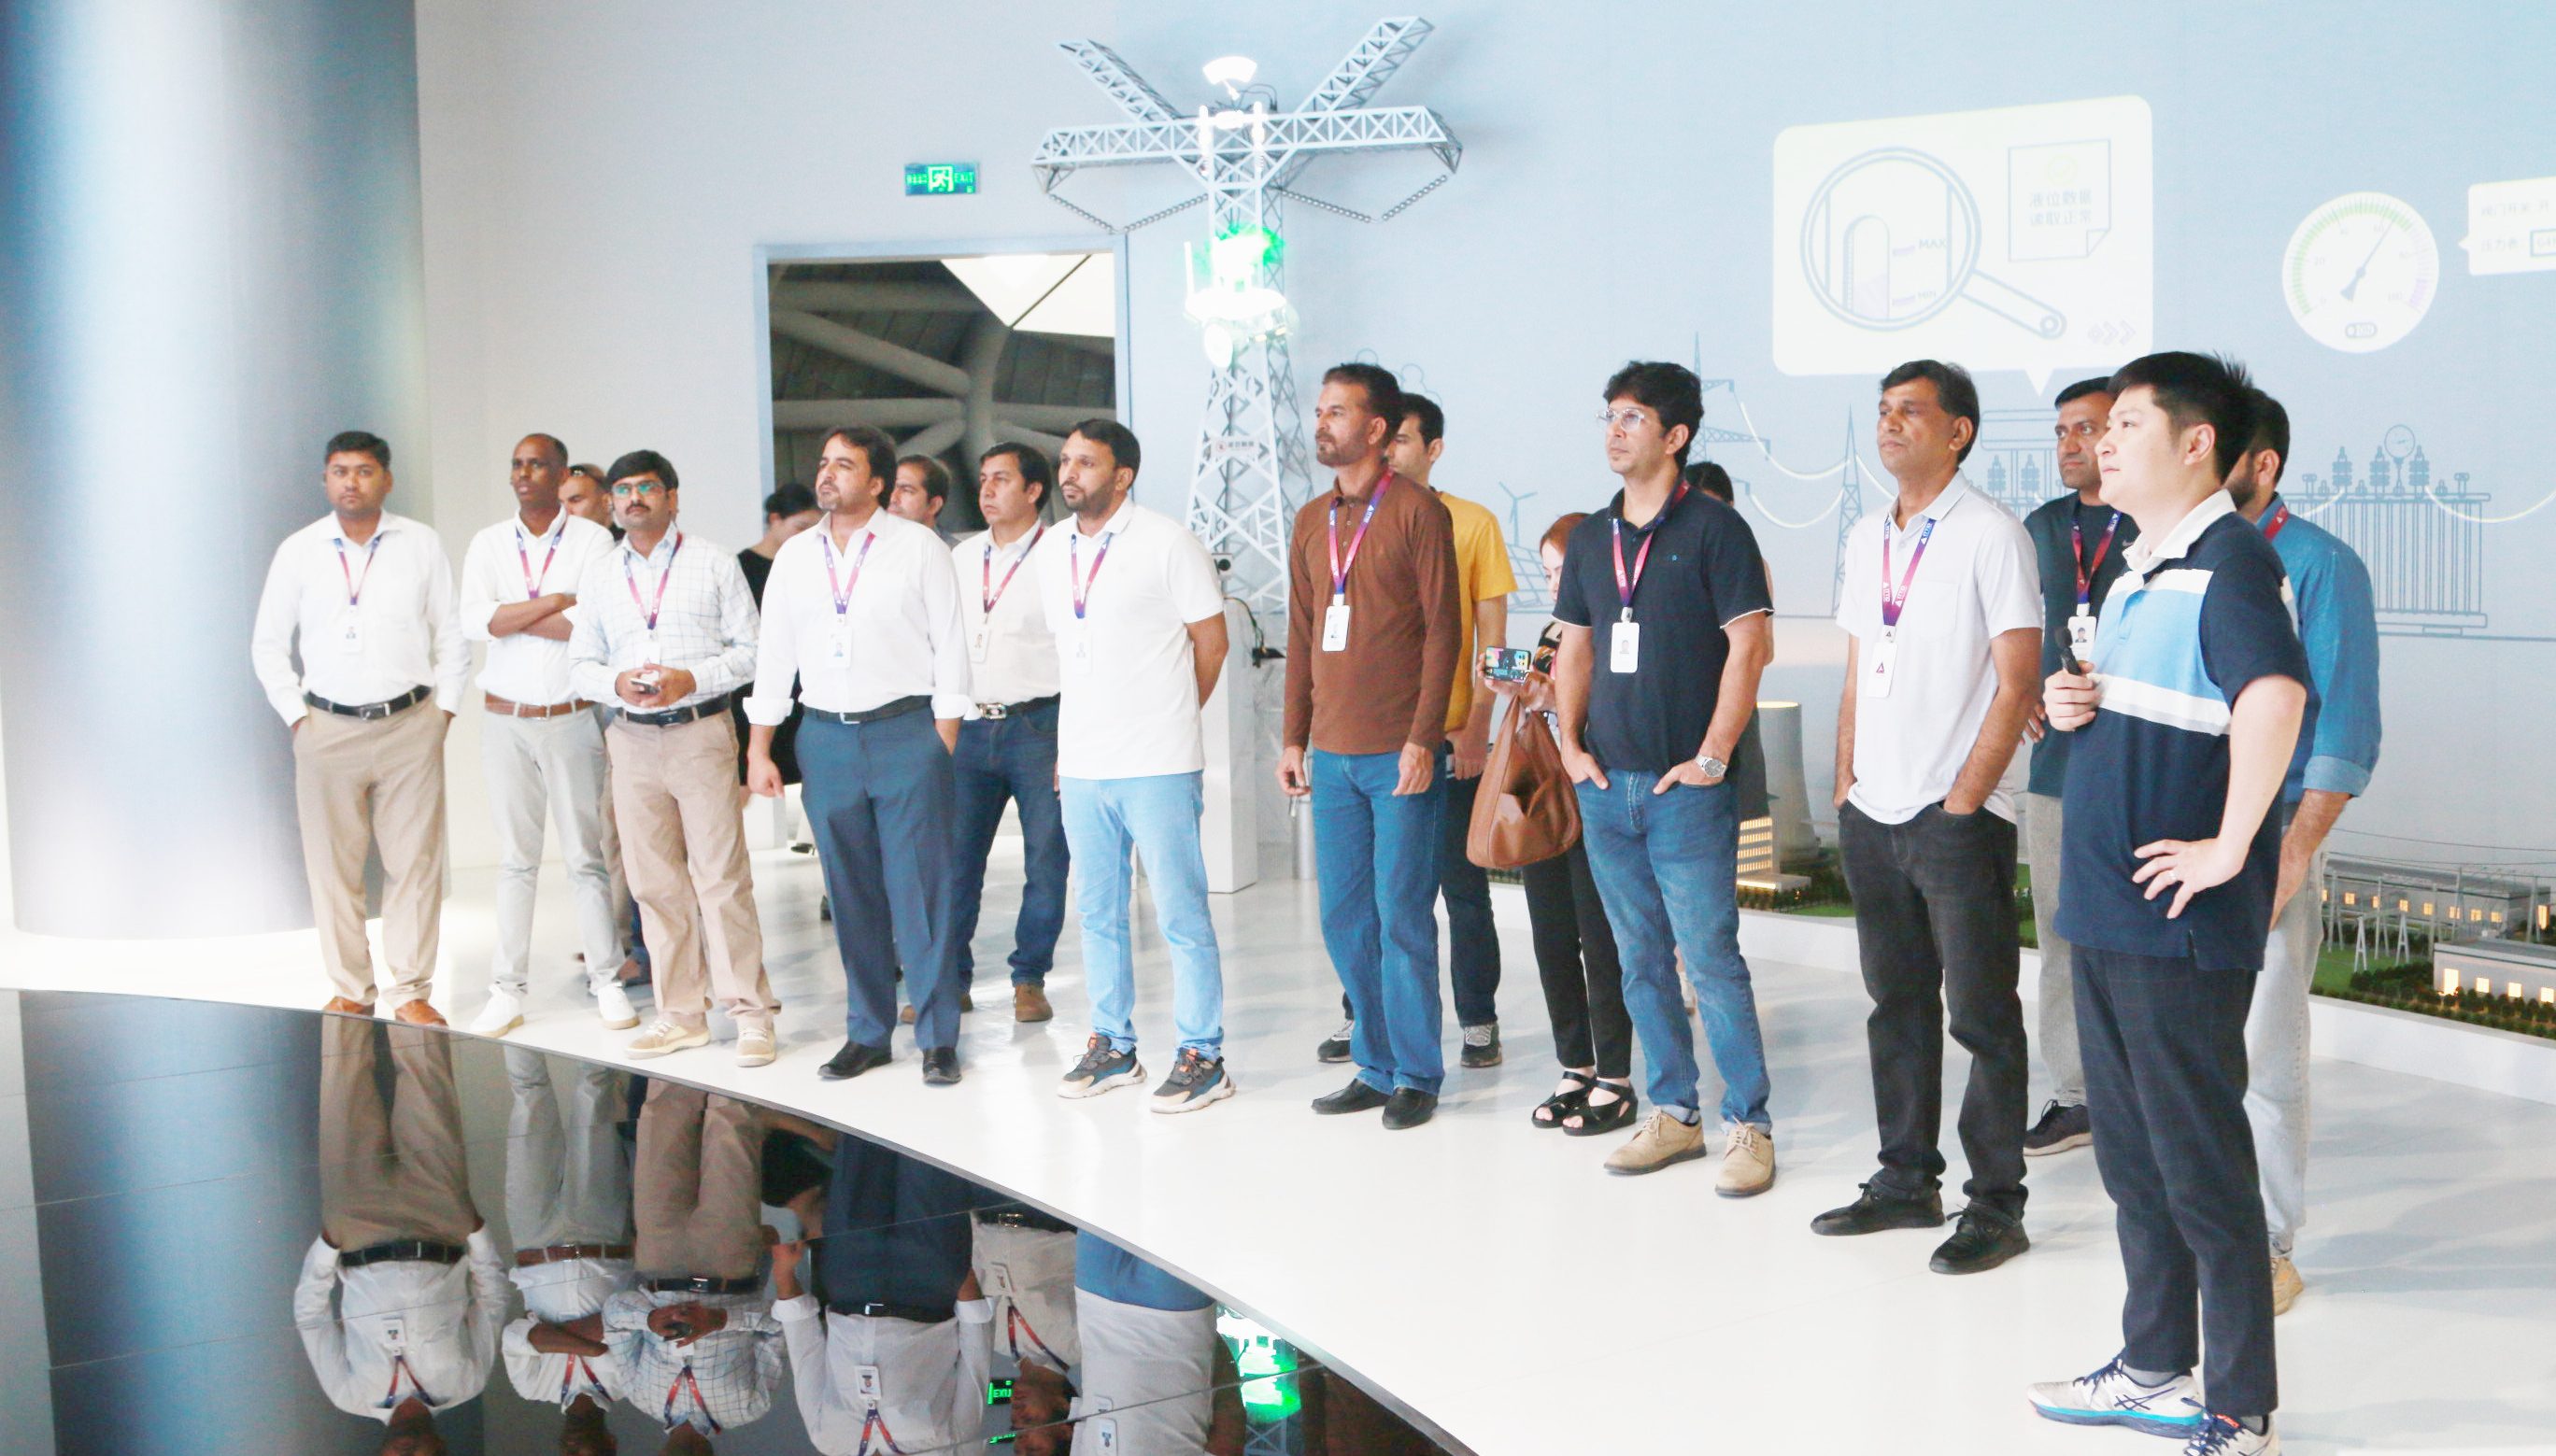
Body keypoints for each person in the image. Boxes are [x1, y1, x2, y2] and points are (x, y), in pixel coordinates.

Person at [2029, 351, 2307, 1456]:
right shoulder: (2138, 566)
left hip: (2174, 923)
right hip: (2107, 909)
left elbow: (2275, 695)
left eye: (2128, 425)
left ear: (2199, 444)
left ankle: (2240, 1405)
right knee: (2135, 1161)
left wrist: (2231, 845)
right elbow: (2166, 705)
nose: (2103, 442)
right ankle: (2151, 1366)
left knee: (2200, 1166)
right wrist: (2072, 701)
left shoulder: (2232, 562)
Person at [1818, 360, 2042, 1275]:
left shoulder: (1992, 533)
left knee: (1983, 1016)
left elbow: (2018, 680)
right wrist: (1843, 779)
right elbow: (1856, 666)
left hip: (1955, 817)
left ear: (1959, 432)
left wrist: (1964, 798)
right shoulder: (1866, 533)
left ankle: (1997, 1202)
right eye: (1882, 410)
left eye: (1911, 411)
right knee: (1896, 1005)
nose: (1890, 423)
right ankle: (1907, 1178)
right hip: (1872, 810)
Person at [1551, 361, 1778, 1189]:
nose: (1615, 430)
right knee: (1639, 958)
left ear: (1676, 436)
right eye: (1609, 415)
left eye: (1633, 417)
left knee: (1710, 960)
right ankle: (1675, 1112)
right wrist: (1569, 746)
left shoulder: (1716, 529)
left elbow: (1751, 647)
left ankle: (1749, 1125)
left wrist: (1713, 756)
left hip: (1687, 790)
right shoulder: (1591, 537)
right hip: (1607, 785)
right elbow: (1575, 647)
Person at [747, 426, 973, 1086]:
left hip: (907, 731)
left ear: (877, 482)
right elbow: (773, 656)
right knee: (849, 893)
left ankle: (937, 1037)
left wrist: (942, 740)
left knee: (921, 890)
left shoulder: (919, 548)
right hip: (825, 738)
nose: (827, 473)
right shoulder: (795, 556)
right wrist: (759, 747)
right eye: (824, 462)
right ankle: (868, 1032)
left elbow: (950, 645)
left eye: (844, 464)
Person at [2223, 388, 2381, 1317]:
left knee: (2264, 1053)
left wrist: (2293, 852)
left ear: (2263, 463)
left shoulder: (2319, 564)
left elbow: (2343, 726)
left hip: (2269, 838)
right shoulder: (2178, 559)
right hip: (2181, 835)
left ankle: (2271, 1242)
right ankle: (2206, 1226)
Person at [1281, 363, 1462, 1131]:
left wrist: (1424, 736)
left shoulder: (1418, 512)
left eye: (1337, 411)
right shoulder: (1311, 519)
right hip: (1331, 755)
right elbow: (1300, 632)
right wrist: (1293, 735)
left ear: (1377, 428)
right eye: (1320, 410)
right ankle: (1375, 1062)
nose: (1322, 423)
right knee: (1343, 917)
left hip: (1398, 753)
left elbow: (1445, 633)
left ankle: (1417, 1071)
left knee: (1402, 917)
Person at [1038, 419, 1236, 1112]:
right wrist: (1068, 749)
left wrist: (1173, 714)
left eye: (1086, 462)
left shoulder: (1167, 542)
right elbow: (1072, 657)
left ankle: (1203, 1054)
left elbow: (1212, 644)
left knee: (1181, 911)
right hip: (1083, 762)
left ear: (1122, 476)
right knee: (1097, 911)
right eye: (1066, 460)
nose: (1070, 473)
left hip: (1157, 760)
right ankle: (1113, 1045)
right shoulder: (1052, 549)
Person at [566, 449, 781, 1067]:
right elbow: (580, 665)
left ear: (672, 497)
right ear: (612, 502)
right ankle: (682, 1014)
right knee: (654, 883)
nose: (634, 498)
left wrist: (693, 678)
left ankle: (751, 1014)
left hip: (699, 731)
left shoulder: (712, 561)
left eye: (647, 487)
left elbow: (753, 650)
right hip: (631, 739)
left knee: (721, 878)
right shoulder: (600, 574)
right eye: (623, 490)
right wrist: (617, 683)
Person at [250, 431, 465, 1025]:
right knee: (332, 868)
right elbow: (268, 644)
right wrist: (298, 718)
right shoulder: (299, 550)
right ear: (326, 480)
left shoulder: (420, 544)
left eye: (365, 470)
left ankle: (412, 991)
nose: (352, 482)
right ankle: (350, 988)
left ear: (386, 480)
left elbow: (451, 635)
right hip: (326, 727)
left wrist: (443, 712)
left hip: (411, 724)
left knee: (415, 863)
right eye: (340, 471)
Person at [1341, 391, 1515, 1071]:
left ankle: (1477, 1019)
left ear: (1433, 449)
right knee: (1370, 894)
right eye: (1382, 440)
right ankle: (1367, 1017)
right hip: (1371, 740)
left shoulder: (1472, 522)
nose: (1388, 452)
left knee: (1461, 889)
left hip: (1447, 737)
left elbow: (1496, 640)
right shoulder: (1348, 521)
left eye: (1403, 441)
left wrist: (1477, 727)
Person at [458, 432, 639, 1037]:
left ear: (561, 475)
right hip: (505, 719)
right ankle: (507, 990)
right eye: (517, 464)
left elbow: (590, 625)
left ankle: (606, 981)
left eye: (537, 464)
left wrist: (515, 612)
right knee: (516, 861)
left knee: (587, 858)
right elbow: (476, 622)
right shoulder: (488, 542)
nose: (524, 473)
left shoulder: (592, 540)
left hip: (571, 716)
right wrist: (555, 599)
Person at [1484, 513, 1635, 1135]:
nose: (1553, 583)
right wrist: (1516, 685)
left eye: (1561, 570)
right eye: (1547, 572)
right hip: (1545, 797)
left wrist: (1557, 699)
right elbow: (1542, 694)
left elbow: (1618, 707)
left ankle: (1616, 1076)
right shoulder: (1553, 629)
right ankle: (1575, 1065)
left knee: (1601, 942)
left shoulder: (1616, 627)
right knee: (1551, 937)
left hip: (1595, 793)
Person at [2019, 377, 2135, 1158]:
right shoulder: (2040, 527)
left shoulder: (2152, 526)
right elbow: (2010, 620)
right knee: (2061, 936)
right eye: (2061, 431)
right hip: (2058, 768)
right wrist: (2022, 688)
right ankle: (2076, 1094)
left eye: (2085, 428)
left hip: (2136, 767)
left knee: (2135, 940)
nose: (2070, 444)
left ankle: (2140, 1088)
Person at [294, 1018, 506, 1435]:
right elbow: (492, 1302)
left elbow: (310, 1317)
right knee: (428, 1081)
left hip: (357, 1235)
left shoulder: (350, 1395)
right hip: (439, 1227)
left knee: (344, 1086)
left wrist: (328, 1244)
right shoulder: (467, 1383)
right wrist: (476, 1232)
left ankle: (347, 994)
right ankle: (411, 997)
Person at [772, 1140, 998, 1454]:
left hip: (850, 1281)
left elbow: (805, 1353)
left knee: (861, 1145)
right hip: (928, 1286)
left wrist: (784, 1275)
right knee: (932, 1156)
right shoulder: (946, 1446)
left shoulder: (828, 1440)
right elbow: (976, 1358)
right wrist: (961, 1273)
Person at [949, 443, 1071, 1025]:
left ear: (1034, 490)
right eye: (983, 479)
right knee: (955, 861)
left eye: (1001, 479)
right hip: (970, 726)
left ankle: (1029, 978)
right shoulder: (960, 557)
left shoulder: (1060, 554)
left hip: (1040, 725)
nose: (987, 490)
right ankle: (950, 980)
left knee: (1046, 858)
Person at [606, 1081, 785, 1442]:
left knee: (660, 1124)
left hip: (659, 1263)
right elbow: (781, 1327)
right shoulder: (750, 1407)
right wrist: (721, 1321)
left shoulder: (639, 1395)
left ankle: (677, 1048)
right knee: (731, 1128)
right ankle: (735, 1051)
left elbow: (613, 1317)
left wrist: (649, 1319)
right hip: (727, 1266)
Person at [498, 1046, 635, 1435]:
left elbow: (516, 1335)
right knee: (594, 1091)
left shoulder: (533, 1388)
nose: (574, 1449)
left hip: (533, 1241)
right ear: (609, 1447)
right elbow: (625, 1318)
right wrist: (551, 1338)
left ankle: (512, 1019)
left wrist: (592, 1346)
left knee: (529, 1099)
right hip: (602, 1236)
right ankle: (603, 1013)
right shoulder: (629, 1385)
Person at [730, 483, 820, 788]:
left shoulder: (808, 568)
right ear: (775, 519)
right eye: (800, 527)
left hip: (800, 688)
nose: (807, 535)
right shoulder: (740, 567)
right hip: (753, 685)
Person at [888, 453, 956, 539]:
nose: (892, 498)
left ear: (933, 505)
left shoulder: (951, 548)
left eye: (907, 490)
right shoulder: (874, 544)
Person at [561, 465, 619, 535]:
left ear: (607, 502)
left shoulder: (628, 541)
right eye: (559, 504)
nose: (564, 512)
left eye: (575, 500)